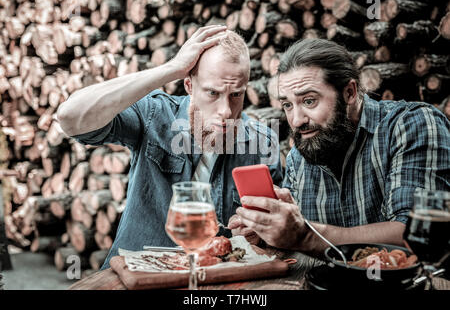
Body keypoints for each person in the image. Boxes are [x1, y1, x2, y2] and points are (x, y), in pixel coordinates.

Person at [56, 25, 282, 269]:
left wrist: (258, 232)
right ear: (188, 85)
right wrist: (171, 68)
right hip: (139, 276)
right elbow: (70, 118)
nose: (226, 111)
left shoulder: (263, 142)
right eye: (212, 93)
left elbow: (275, 231)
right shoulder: (155, 115)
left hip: (217, 282)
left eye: (236, 94)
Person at [229, 38, 450, 255]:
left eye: (309, 101)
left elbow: (416, 234)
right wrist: (267, 230)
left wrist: (305, 235)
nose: (296, 120)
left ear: (350, 93)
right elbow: (293, 232)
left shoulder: (413, 125)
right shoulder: (299, 155)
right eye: (287, 104)